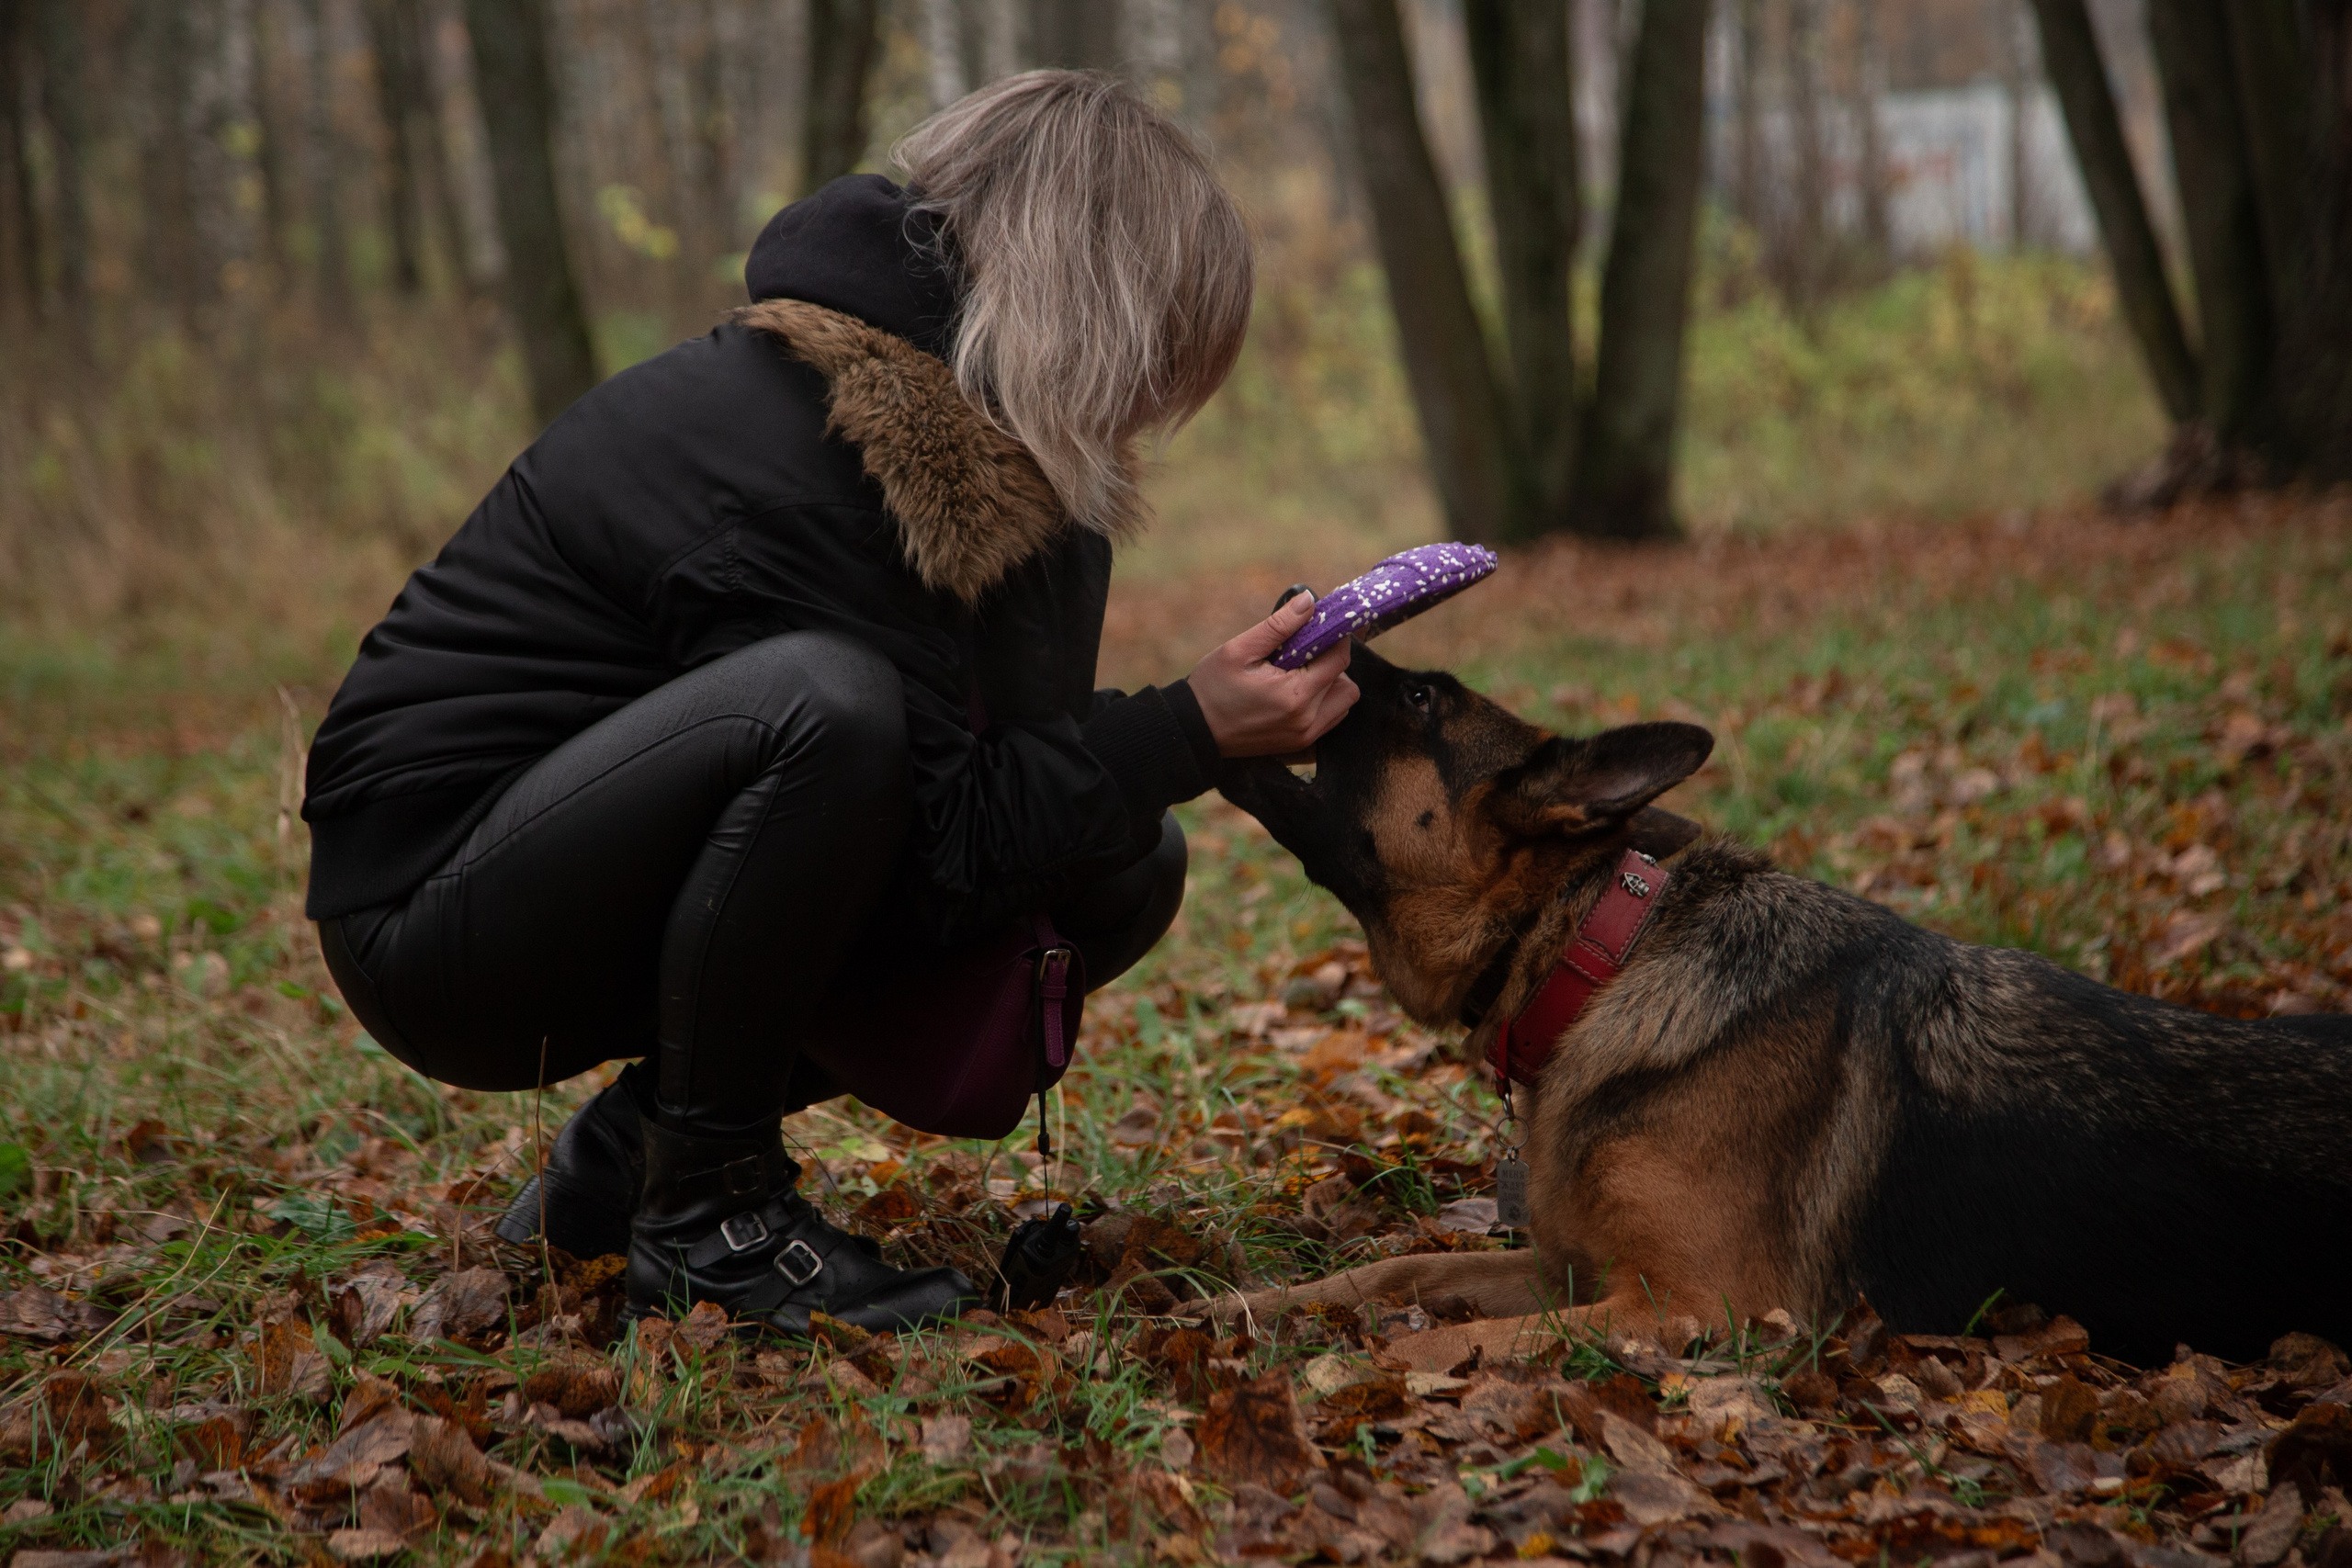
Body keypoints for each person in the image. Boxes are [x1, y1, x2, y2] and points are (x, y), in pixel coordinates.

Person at [300, 73, 1358, 1337]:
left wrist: (1175, 728)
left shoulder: (1010, 461)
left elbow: (1003, 825)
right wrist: (1187, 728)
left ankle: (626, 1166)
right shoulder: (800, 444)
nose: (1157, 404)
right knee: (828, 708)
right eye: (1162, 355)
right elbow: (933, 855)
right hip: (437, 916)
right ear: (1099, 307)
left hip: (607, 867)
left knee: (1124, 866)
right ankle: (710, 1223)